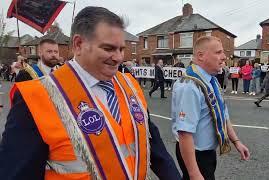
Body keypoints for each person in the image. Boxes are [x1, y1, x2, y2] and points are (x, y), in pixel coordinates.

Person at [0, 7, 181, 180]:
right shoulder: (36, 97)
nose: (118, 57)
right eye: (109, 48)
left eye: (121, 49)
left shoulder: (130, 84)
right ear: (78, 44)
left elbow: (154, 146)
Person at [172, 36, 250, 180]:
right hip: (194, 154)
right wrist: (194, 173)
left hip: (206, 153)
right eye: (218, 52)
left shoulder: (211, 80)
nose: (224, 57)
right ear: (201, 56)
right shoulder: (190, 86)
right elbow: (184, 133)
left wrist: (236, 142)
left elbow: (222, 114)